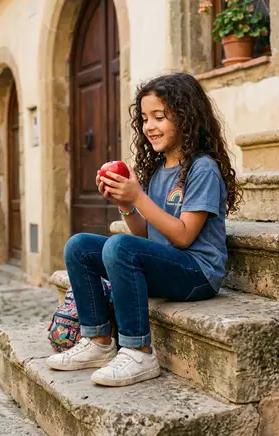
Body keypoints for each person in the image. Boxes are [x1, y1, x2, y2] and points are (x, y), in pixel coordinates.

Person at [46, 73, 242, 387]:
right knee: (79, 246)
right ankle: (98, 342)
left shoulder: (202, 168)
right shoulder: (157, 170)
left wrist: (137, 195)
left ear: (187, 117)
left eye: (159, 117)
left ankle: (139, 350)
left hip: (198, 273)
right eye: (144, 118)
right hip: (169, 265)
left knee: (118, 247)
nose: (149, 125)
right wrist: (124, 204)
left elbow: (183, 235)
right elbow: (145, 237)